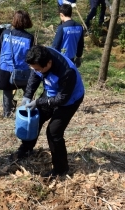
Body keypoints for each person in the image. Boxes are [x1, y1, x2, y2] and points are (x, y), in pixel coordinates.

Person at [11, 45, 84, 178]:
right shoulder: (40, 57)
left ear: (49, 63)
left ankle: (61, 169)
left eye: (38, 68)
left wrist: (38, 102)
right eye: (33, 67)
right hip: (51, 93)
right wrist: (28, 95)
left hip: (69, 100)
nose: (35, 70)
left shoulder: (67, 72)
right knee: (35, 118)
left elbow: (61, 99)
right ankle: (26, 149)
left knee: (53, 132)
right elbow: (35, 75)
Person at [0, 10, 34, 118]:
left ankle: (7, 114)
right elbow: (31, 55)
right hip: (23, 70)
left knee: (7, 92)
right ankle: (29, 112)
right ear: (27, 20)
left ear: (14, 20)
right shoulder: (29, 38)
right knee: (28, 91)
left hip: (5, 69)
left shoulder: (6, 33)